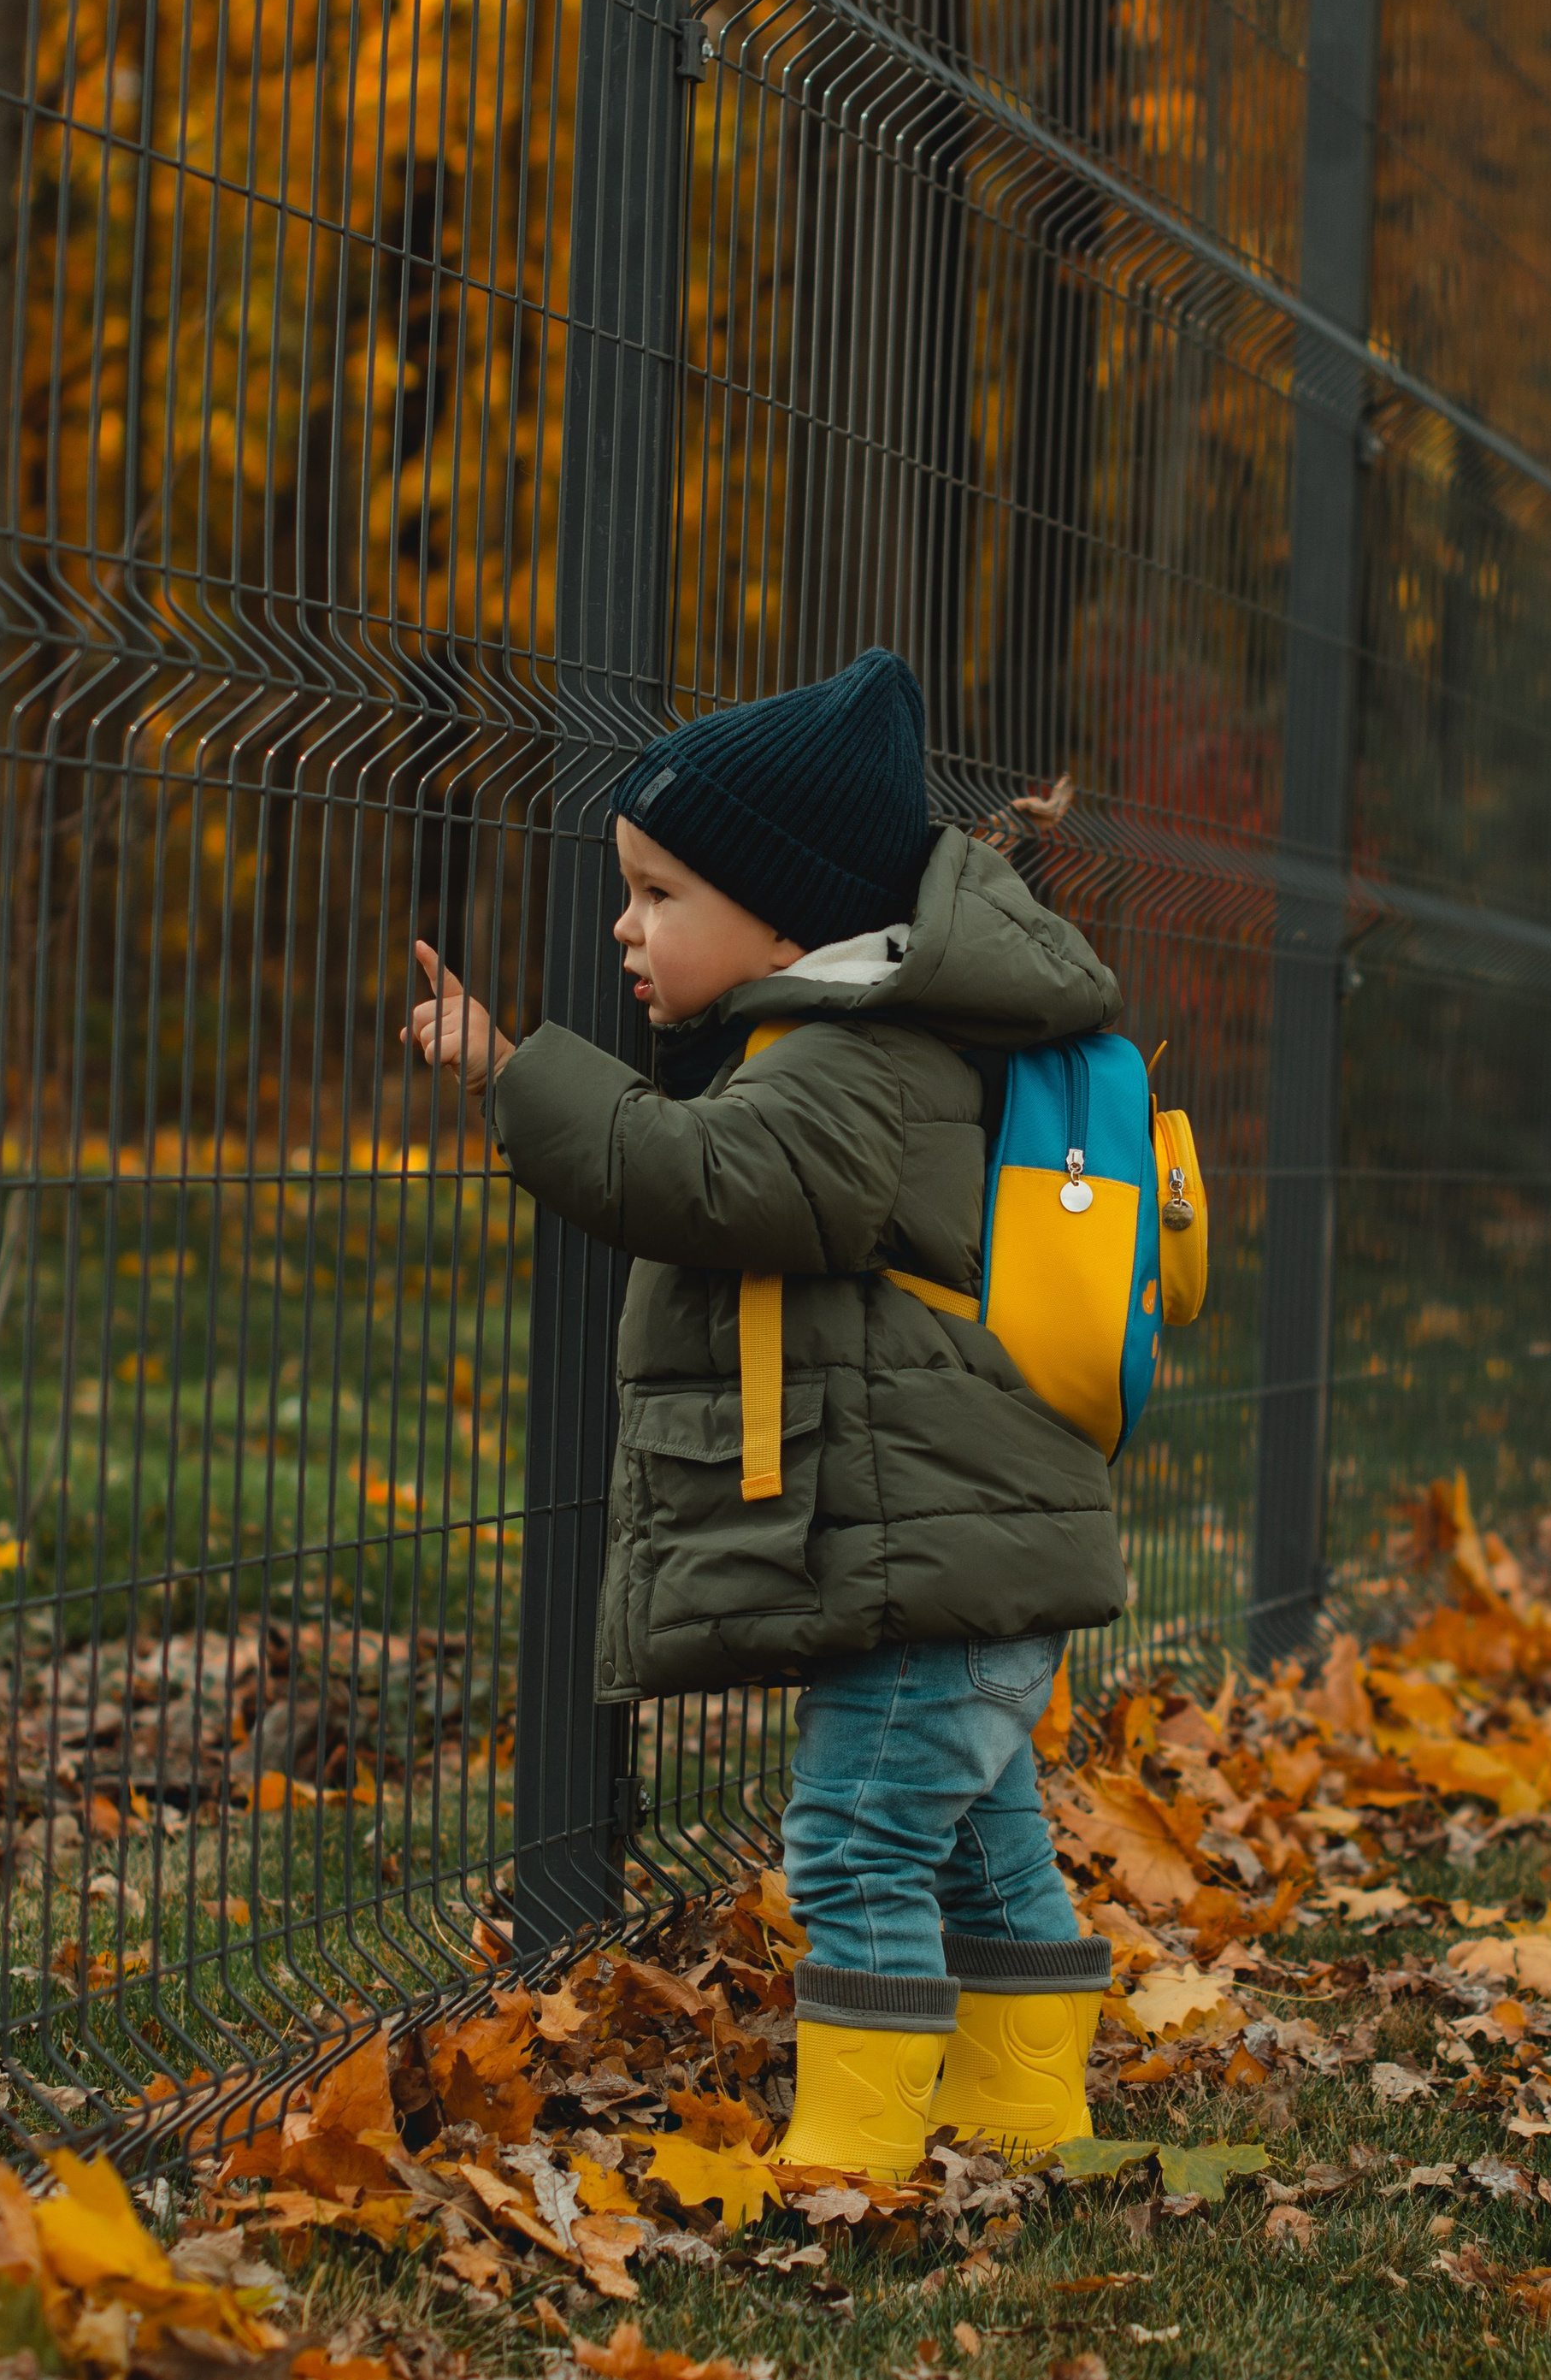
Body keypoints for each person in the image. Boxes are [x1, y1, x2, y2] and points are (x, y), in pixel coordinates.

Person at [406, 647, 1129, 2181]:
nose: (627, 923)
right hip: (957, 1555)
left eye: (661, 893)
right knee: (988, 1850)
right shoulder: (864, 1039)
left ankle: (852, 2154)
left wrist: (514, 1069)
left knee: (857, 1841)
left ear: (785, 912)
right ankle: (1023, 2111)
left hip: (934, 1562)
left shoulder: (855, 1062)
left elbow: (704, 1180)